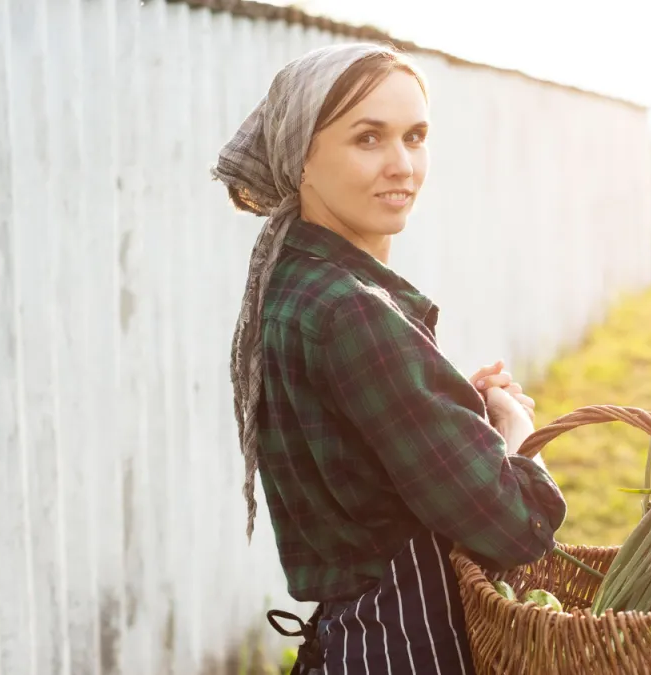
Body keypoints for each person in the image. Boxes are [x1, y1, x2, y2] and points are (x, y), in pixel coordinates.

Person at [211, 42, 567, 675]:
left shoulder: (295, 283)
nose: (402, 165)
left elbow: (365, 459)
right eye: (368, 138)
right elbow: (516, 528)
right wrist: (512, 434)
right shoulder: (351, 313)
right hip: (408, 648)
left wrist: (451, 407)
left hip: (358, 640)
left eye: (416, 136)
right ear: (301, 159)